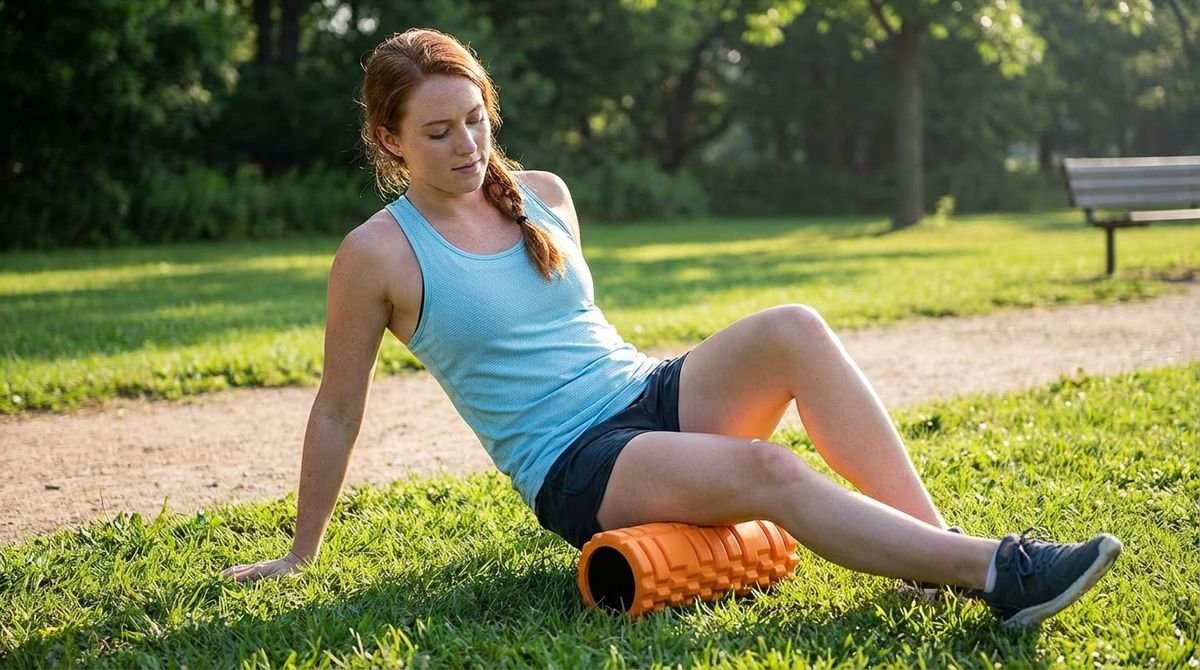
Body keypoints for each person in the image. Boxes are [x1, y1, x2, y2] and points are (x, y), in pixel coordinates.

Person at [223, 27, 1122, 628]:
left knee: (794, 327)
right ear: (388, 142)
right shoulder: (377, 255)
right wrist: (302, 553)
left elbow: (580, 336)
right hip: (579, 464)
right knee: (772, 468)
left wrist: (662, 400)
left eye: (475, 121)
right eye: (436, 134)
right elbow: (339, 409)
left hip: (647, 393)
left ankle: (941, 557)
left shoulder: (546, 197)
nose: (466, 147)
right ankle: (1000, 575)